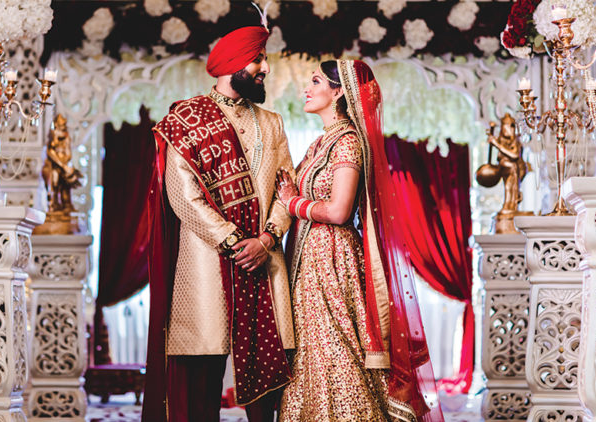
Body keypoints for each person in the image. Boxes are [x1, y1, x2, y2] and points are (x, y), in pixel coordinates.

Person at [141, 23, 296, 422]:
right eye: (258, 59)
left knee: (270, 376)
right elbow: (183, 195)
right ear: (233, 63)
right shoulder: (187, 118)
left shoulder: (272, 122)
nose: (264, 68)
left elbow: (287, 190)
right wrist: (233, 242)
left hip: (264, 259)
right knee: (201, 375)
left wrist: (265, 239)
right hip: (207, 262)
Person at [276, 60, 444, 422]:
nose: (307, 88)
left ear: (338, 92)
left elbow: (339, 211)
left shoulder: (348, 142)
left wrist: (292, 202)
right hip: (308, 259)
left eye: (316, 81)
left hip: (332, 258)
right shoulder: (321, 142)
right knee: (312, 352)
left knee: (336, 348)